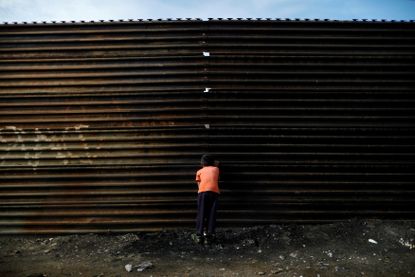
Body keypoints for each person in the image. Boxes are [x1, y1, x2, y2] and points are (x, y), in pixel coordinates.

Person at [192, 154, 220, 245]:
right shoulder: (216, 169)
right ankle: (209, 235)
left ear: (202, 163)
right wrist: (215, 163)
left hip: (202, 193)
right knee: (212, 214)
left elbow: (199, 185)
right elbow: (217, 165)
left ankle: (199, 235)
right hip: (214, 193)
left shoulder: (199, 171)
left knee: (201, 213)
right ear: (212, 162)